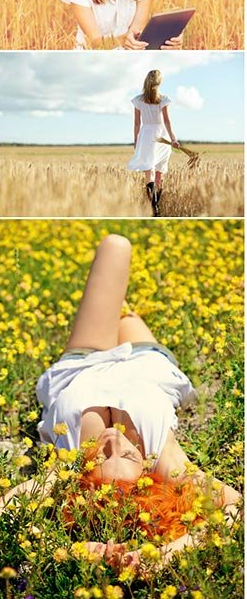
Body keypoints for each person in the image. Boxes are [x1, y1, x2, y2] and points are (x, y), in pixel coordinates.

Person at [32, 234, 240, 570]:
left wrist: (72, 551)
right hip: (146, 360)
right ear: (146, 469)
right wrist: (166, 554)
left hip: (84, 359)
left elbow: (0, 512)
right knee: (125, 308)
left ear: (84, 476)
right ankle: (125, 312)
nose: (113, 438)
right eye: (127, 452)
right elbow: (238, 510)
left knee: (114, 247)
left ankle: (113, 307)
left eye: (101, 453)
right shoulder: (167, 461)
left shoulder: (67, 469)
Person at [128, 69, 186, 215]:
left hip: (146, 135)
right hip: (162, 136)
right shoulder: (163, 99)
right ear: (159, 82)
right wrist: (173, 139)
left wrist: (136, 140)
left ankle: (154, 206)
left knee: (150, 171)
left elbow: (136, 124)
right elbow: (167, 121)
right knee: (159, 172)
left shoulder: (138, 100)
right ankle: (155, 206)